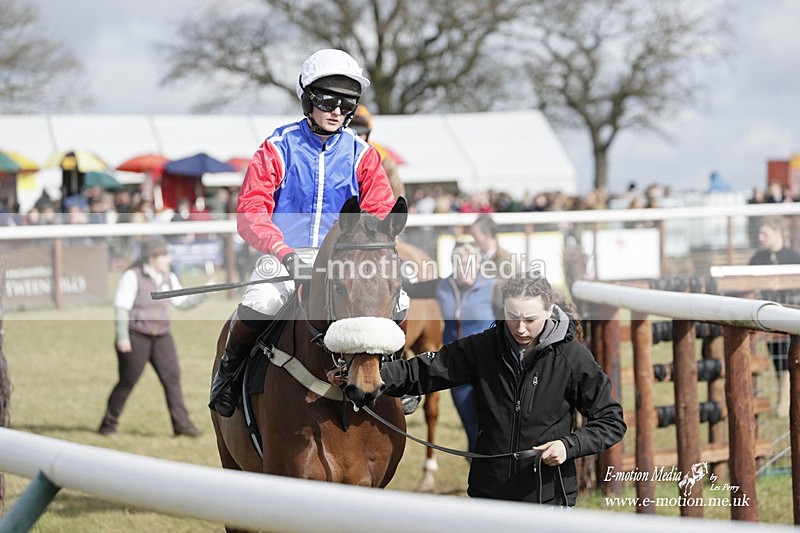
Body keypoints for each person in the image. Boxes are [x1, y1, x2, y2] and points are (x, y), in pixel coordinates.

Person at [209, 49, 398, 417]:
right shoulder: (275, 149)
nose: (336, 110)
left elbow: (380, 210)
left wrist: (366, 252)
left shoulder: (364, 155)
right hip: (285, 253)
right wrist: (283, 252)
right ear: (308, 99)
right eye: (327, 99)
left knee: (399, 302)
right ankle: (228, 374)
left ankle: (398, 376)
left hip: (346, 258)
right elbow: (251, 212)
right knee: (260, 303)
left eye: (347, 103)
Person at [332, 274, 626, 505]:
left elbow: (611, 420)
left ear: (550, 310)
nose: (520, 328)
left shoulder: (573, 358)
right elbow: (424, 371)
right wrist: (366, 377)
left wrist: (568, 446)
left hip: (546, 496)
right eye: (512, 317)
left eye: (530, 320)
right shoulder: (484, 347)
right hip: (489, 495)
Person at [98, 236, 208, 436]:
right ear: (152, 257)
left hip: (162, 336)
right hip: (136, 336)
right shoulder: (132, 276)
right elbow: (121, 308)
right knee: (127, 381)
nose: (168, 259)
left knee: (172, 379)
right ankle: (108, 424)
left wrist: (205, 293)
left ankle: (182, 425)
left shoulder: (169, 278)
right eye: (164, 255)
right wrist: (122, 337)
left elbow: (182, 303)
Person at [436, 237, 496, 453]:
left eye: (469, 263)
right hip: (457, 368)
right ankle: (476, 461)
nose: (464, 269)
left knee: (491, 425)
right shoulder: (442, 286)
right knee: (471, 427)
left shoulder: (492, 288)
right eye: (459, 264)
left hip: (489, 368)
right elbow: (407, 289)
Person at [749, 215, 800, 417]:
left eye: (765, 233)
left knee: (793, 357)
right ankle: (784, 399)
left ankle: (787, 401)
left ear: (778, 232)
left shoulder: (795, 258)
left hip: (792, 317)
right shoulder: (757, 259)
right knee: (778, 359)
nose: (761, 237)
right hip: (769, 319)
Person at [468, 213, 514, 277]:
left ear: (488, 235)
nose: (473, 241)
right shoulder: (475, 257)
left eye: (475, 236)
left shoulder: (506, 260)